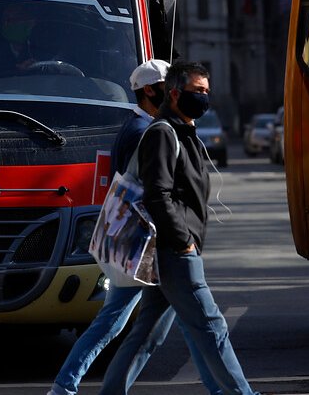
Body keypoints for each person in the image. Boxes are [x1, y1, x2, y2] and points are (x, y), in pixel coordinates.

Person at [48, 60, 220, 395]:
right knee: (122, 322)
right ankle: (64, 386)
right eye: (167, 86)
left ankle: (70, 386)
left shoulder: (143, 126)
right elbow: (152, 192)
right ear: (151, 91)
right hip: (145, 245)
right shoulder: (146, 131)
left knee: (177, 324)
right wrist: (180, 235)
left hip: (151, 245)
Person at [97, 62, 258, 395]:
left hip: (171, 250)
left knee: (148, 333)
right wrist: (183, 242)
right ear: (173, 93)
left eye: (206, 92)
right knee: (212, 326)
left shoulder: (183, 131)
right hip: (174, 251)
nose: (204, 97)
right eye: (198, 91)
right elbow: (159, 194)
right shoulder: (162, 133)